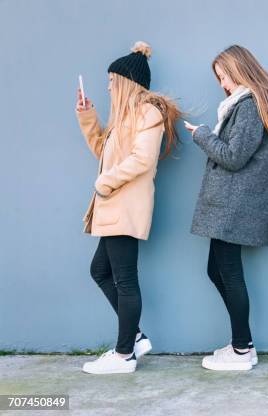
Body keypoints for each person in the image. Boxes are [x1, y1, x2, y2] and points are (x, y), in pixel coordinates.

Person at [76, 41, 181, 374]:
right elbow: (102, 152)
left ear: (126, 81)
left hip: (124, 206)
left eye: (111, 80)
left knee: (124, 279)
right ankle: (134, 337)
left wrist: (104, 183)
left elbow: (143, 159)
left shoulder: (148, 112)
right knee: (101, 271)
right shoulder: (122, 118)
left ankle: (124, 355)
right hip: (113, 207)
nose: (107, 86)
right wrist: (87, 116)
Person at [185, 45, 268, 371]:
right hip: (233, 204)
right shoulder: (249, 104)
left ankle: (242, 350)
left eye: (224, 77)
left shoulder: (249, 106)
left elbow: (233, 156)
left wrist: (201, 134)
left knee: (227, 272)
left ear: (238, 71)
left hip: (236, 205)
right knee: (217, 270)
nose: (222, 84)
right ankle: (242, 344)